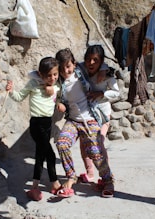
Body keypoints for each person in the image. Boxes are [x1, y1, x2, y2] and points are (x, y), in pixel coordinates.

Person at [54, 48, 115, 198]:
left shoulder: (81, 70)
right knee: (62, 143)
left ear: (74, 64)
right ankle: (71, 177)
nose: (65, 71)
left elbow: (103, 66)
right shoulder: (58, 81)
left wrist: (104, 70)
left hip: (90, 119)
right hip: (73, 121)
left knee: (96, 152)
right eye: (61, 69)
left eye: (68, 66)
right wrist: (58, 103)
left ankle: (108, 180)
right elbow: (41, 77)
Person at [6, 57, 62, 201]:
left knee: (40, 154)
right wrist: (11, 91)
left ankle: (35, 186)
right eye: (48, 75)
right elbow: (19, 97)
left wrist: (58, 101)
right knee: (49, 154)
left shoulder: (56, 87)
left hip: (48, 123)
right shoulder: (33, 84)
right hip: (37, 124)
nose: (52, 78)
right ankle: (54, 183)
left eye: (55, 74)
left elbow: (58, 95)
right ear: (41, 74)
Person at [78, 44, 120, 183]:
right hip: (85, 114)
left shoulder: (107, 74)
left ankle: (107, 175)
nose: (91, 63)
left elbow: (116, 93)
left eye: (95, 60)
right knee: (84, 144)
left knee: (99, 143)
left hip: (102, 114)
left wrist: (102, 94)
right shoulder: (82, 70)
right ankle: (90, 173)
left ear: (101, 61)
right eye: (88, 59)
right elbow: (70, 65)